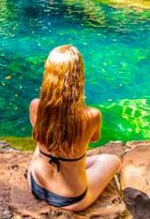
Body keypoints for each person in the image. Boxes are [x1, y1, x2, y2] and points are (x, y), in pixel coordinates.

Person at [27, 45, 122, 211]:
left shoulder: (36, 106)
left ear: (48, 74)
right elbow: (94, 139)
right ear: (79, 76)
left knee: (44, 140)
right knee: (113, 160)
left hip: (35, 182)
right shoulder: (91, 115)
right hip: (71, 199)